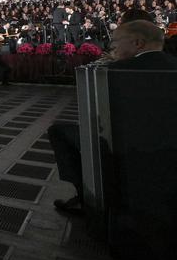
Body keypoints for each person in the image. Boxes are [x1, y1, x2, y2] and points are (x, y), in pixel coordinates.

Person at [49, 21, 177, 213]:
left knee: (58, 131)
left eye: (116, 41)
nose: (112, 46)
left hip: (125, 148)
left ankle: (89, 198)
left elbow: (100, 119)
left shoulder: (113, 71)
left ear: (138, 43)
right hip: (169, 150)